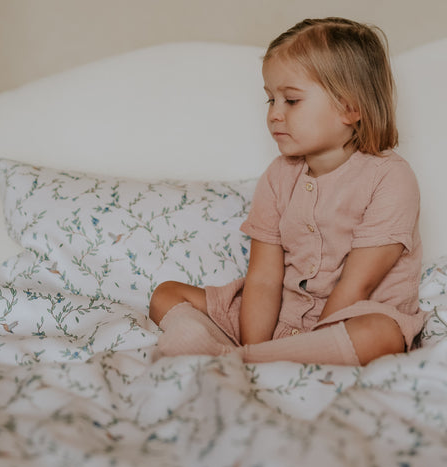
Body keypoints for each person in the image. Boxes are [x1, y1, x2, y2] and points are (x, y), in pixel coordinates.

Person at [148, 17, 427, 366]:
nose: (275, 115)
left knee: (380, 335)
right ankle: (249, 354)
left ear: (350, 108)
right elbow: (264, 279)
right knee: (167, 294)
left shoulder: (390, 178)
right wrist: (255, 340)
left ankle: (244, 360)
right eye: (270, 100)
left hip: (347, 319)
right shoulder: (279, 176)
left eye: (291, 101)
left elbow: (356, 286)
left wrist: (309, 339)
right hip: (282, 320)